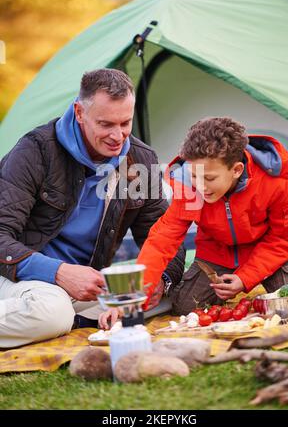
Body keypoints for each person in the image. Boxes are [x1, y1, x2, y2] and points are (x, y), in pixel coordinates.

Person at [0, 68, 185, 348]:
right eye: (106, 124)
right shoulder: (34, 152)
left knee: (176, 294)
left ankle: (78, 322)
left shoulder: (140, 160)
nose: (118, 136)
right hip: (20, 277)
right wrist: (59, 272)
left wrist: (161, 279)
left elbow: (165, 233)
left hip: (88, 285)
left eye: (125, 123)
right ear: (79, 112)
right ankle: (65, 319)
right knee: (52, 312)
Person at [99, 116, 288, 325]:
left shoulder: (274, 181)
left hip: (271, 254)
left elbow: (284, 238)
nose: (201, 186)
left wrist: (245, 278)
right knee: (185, 308)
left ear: (237, 170)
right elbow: (162, 241)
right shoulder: (189, 187)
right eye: (194, 175)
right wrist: (129, 302)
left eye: (210, 178)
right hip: (217, 254)